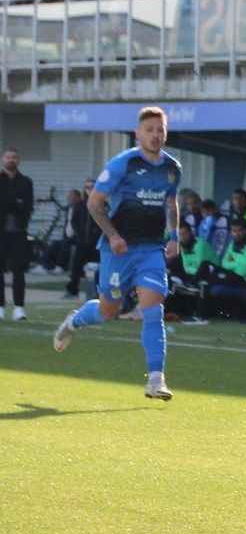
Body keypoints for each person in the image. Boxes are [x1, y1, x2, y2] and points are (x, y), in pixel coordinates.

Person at [52, 107, 182, 401]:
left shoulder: (172, 168)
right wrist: (113, 235)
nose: (155, 135)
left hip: (150, 249)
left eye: (160, 129)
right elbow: (95, 204)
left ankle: (155, 379)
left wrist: (173, 236)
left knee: (153, 311)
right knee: (108, 311)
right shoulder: (122, 164)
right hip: (118, 251)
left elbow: (171, 202)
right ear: (138, 133)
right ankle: (73, 322)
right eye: (149, 130)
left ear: (166, 132)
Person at [0, 145, 34, 320]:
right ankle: (0, 306)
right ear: (3, 159)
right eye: (8, 157)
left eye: (14, 157)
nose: (11, 160)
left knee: (18, 270)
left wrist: (9, 202)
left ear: (18, 160)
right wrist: (15, 202)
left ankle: (19, 307)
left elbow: (27, 206)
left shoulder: (26, 182)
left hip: (19, 231)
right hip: (1, 231)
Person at [164, 220, 219, 322]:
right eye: (180, 234)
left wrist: (189, 272)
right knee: (171, 276)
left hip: (209, 274)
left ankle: (200, 316)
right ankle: (168, 311)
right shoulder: (181, 246)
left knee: (202, 277)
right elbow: (187, 266)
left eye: (185, 233)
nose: (183, 237)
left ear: (191, 232)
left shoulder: (200, 244)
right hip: (193, 275)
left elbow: (201, 266)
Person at [62, 187, 98, 300]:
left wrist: (97, 234)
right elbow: (74, 221)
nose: (89, 190)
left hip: (95, 243)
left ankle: (97, 292)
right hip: (82, 242)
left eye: (91, 187)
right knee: (76, 267)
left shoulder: (102, 204)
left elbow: (107, 219)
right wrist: (79, 235)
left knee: (98, 269)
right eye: (87, 187)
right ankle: (72, 290)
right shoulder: (80, 205)